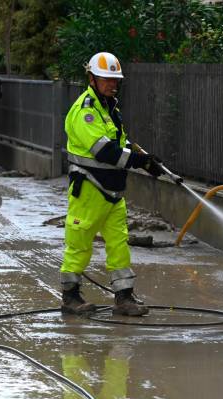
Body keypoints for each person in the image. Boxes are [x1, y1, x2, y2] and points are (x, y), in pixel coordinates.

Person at [59, 52, 164, 316]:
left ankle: (124, 298)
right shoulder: (86, 112)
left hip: (114, 192)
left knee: (119, 245)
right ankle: (70, 297)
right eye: (106, 79)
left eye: (115, 79)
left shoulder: (109, 109)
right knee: (79, 244)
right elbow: (105, 152)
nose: (112, 84)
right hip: (90, 189)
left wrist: (148, 160)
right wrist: (139, 161)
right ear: (92, 78)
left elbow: (121, 144)